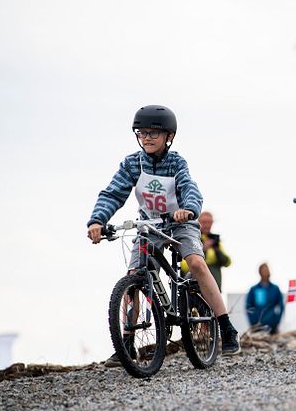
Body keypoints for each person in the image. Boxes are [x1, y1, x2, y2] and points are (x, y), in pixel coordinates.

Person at [87, 105, 241, 367]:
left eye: (153, 133)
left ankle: (226, 327)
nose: (147, 138)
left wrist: (189, 209)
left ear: (168, 136)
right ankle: (126, 343)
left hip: (181, 222)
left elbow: (189, 187)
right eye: (142, 133)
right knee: (132, 278)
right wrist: (98, 220)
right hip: (149, 226)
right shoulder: (133, 164)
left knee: (196, 263)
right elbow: (113, 193)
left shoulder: (176, 162)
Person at [181, 211, 232, 291]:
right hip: (195, 288)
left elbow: (228, 262)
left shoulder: (214, 240)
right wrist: (203, 250)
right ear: (198, 222)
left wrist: (216, 249)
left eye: (209, 222)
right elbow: (184, 266)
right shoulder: (192, 238)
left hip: (214, 287)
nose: (207, 225)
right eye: (204, 222)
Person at [245, 263, 284, 334]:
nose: (265, 272)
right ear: (260, 272)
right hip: (257, 326)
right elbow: (248, 306)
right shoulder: (254, 289)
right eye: (263, 270)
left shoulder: (275, 288)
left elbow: (281, 305)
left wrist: (277, 320)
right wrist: (253, 321)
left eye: (267, 269)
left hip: (272, 326)